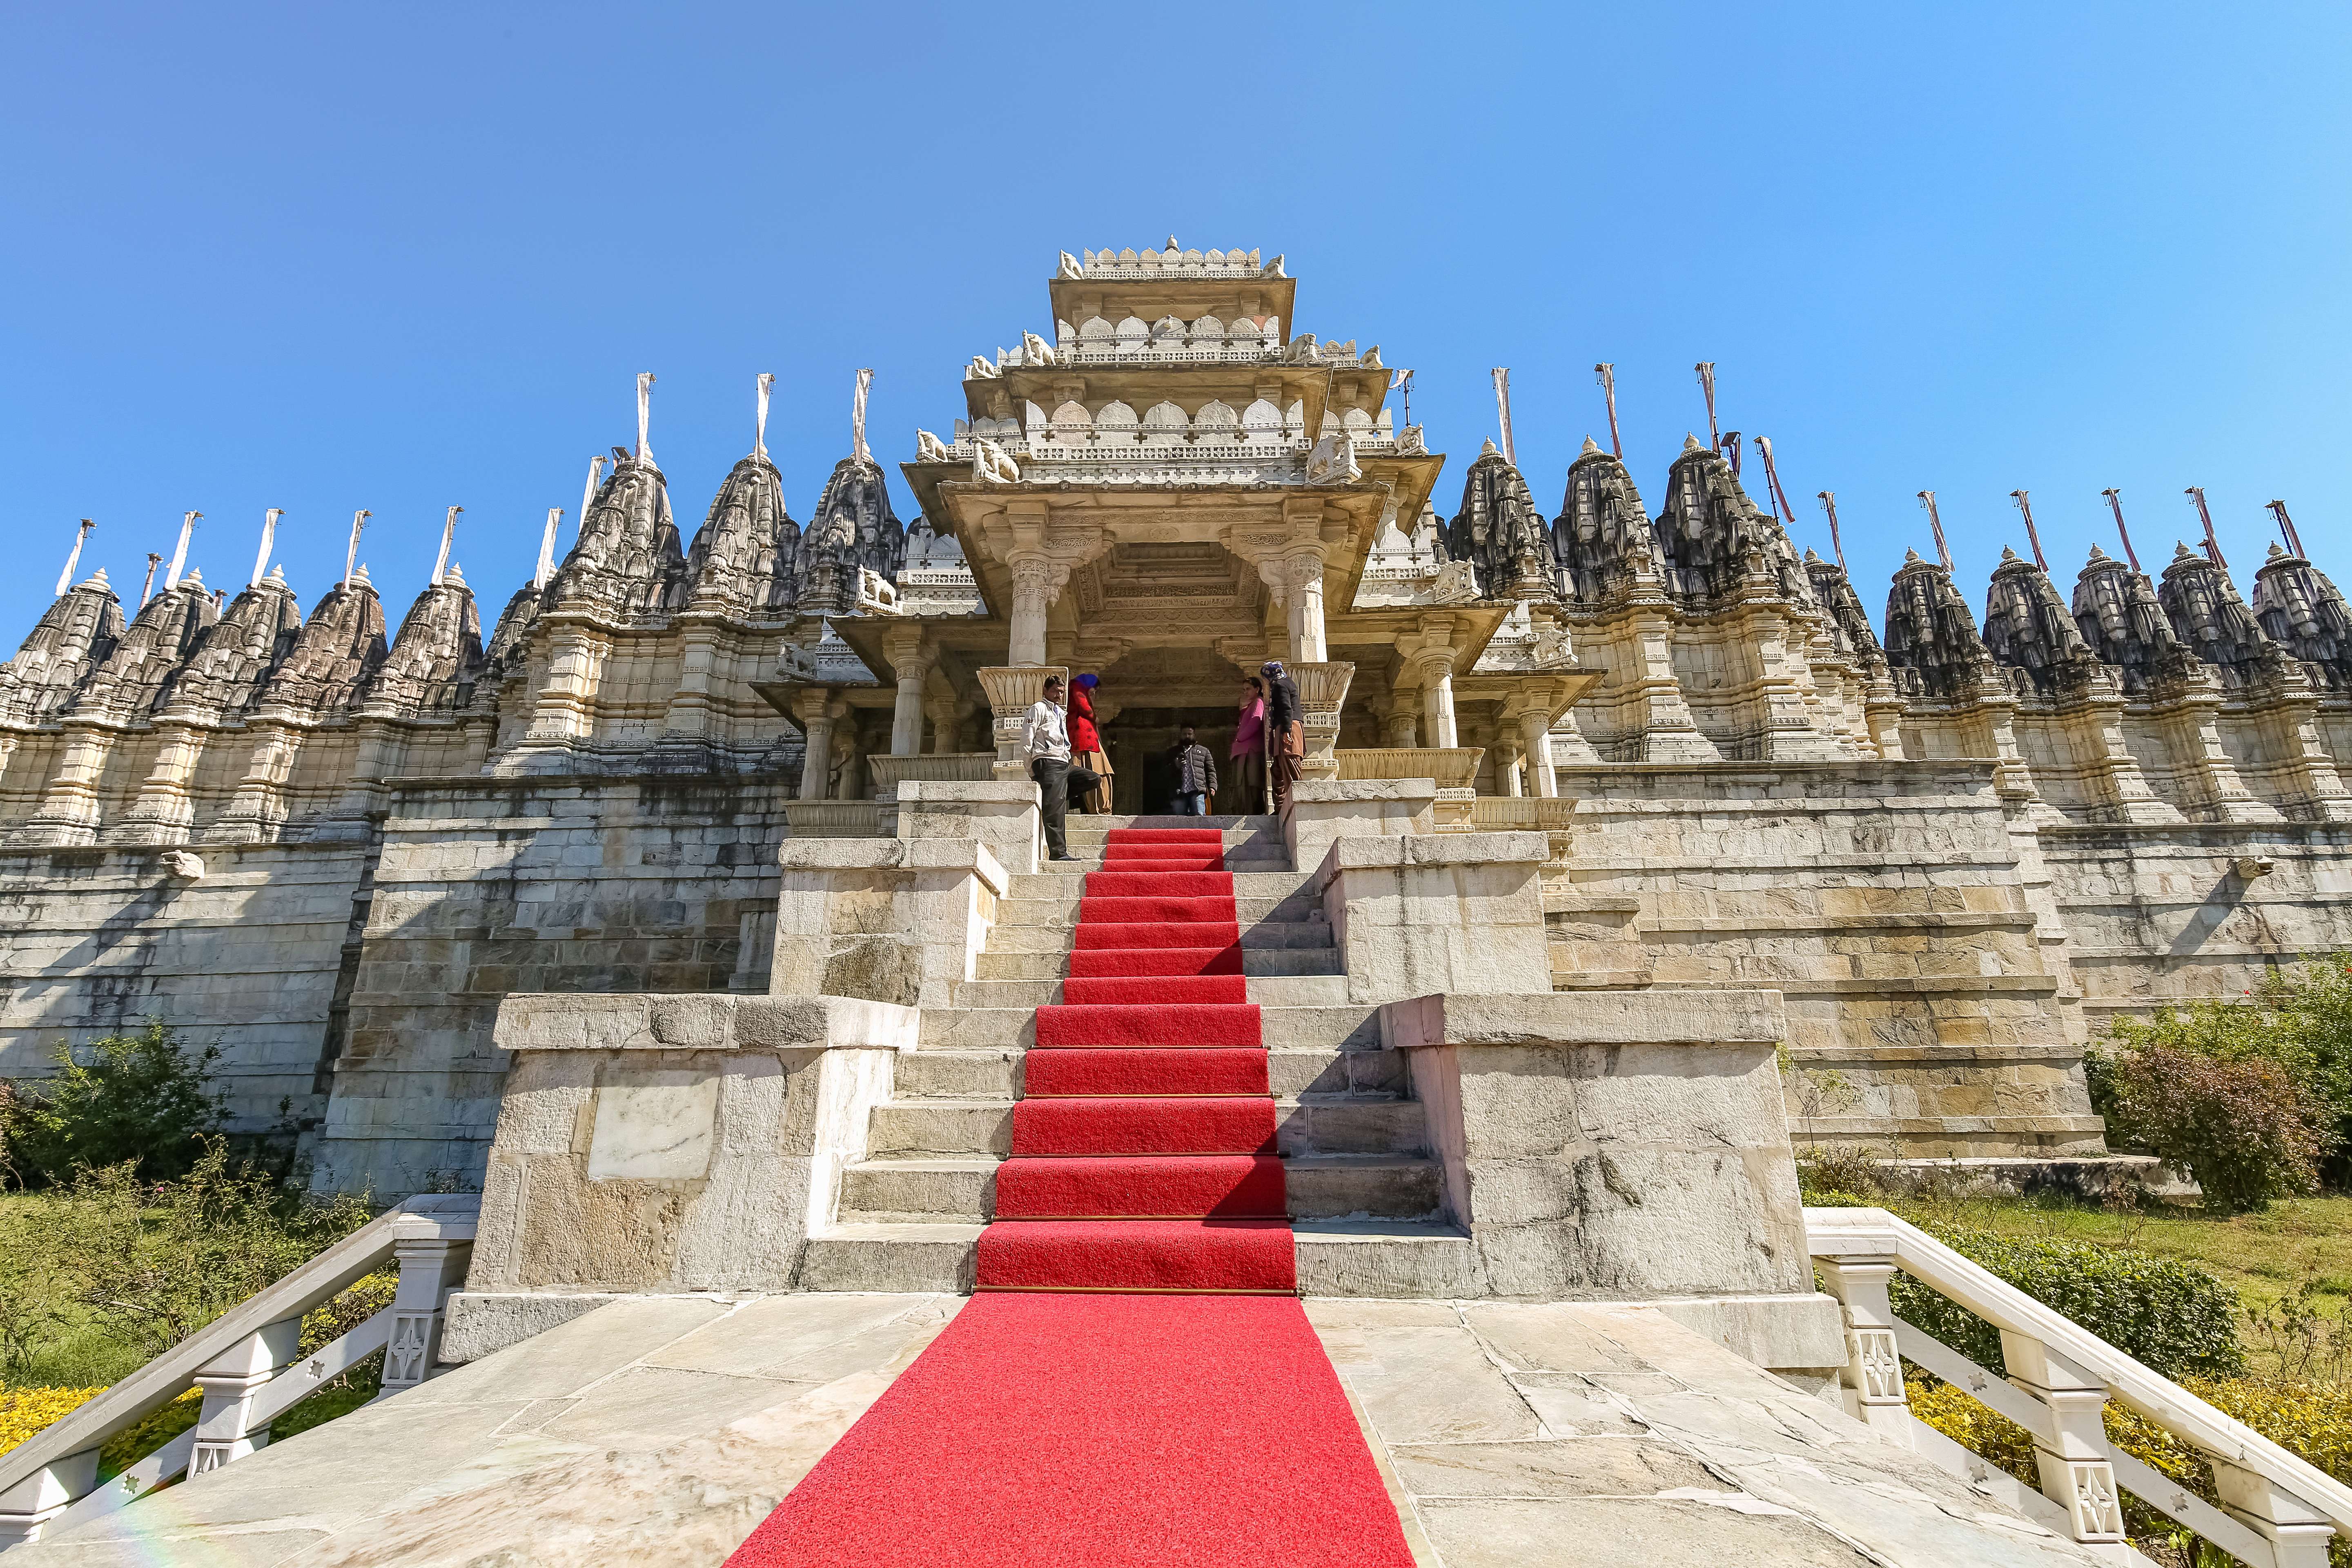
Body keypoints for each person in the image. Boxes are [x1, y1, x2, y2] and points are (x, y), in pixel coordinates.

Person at [1024, 675, 1076, 861]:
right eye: (1055, 691)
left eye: (1061, 692)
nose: (1058, 695)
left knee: (1091, 779)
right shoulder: (1038, 709)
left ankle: (1054, 796)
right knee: (1055, 810)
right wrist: (1031, 770)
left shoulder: (1060, 713)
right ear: (1045, 691)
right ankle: (1058, 853)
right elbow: (1027, 740)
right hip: (1047, 760)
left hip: (1063, 762)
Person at [1068, 673, 1114, 815]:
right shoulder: (1077, 688)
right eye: (1093, 693)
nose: (1093, 698)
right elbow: (1084, 706)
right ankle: (1100, 809)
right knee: (1096, 770)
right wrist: (1095, 717)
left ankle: (1100, 808)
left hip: (1086, 737)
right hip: (1084, 738)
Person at [1262, 659, 1303, 811]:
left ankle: (1300, 803)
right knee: (1278, 768)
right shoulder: (1288, 682)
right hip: (1284, 727)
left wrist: (1287, 732)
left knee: (1290, 763)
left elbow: (1287, 710)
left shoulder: (1280, 685)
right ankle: (1280, 808)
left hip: (1288, 727)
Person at [1229, 674, 1266, 814]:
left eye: (1248, 689)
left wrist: (1240, 738)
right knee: (1242, 784)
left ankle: (1252, 812)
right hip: (1244, 750)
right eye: (1244, 690)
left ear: (1257, 689)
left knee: (1250, 783)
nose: (1245, 692)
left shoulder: (1258, 702)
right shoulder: (1252, 704)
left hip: (1249, 749)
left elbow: (1256, 721)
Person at [1169, 724, 1218, 815]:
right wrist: (1175, 766)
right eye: (1184, 734)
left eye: (1189, 734)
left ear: (1194, 735)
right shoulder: (1173, 752)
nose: (1187, 736)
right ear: (1181, 735)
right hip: (1179, 792)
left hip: (1197, 790)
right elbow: (1163, 772)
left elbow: (1210, 770)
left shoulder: (1204, 751)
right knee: (1179, 820)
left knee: (1199, 816)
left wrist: (1213, 786)